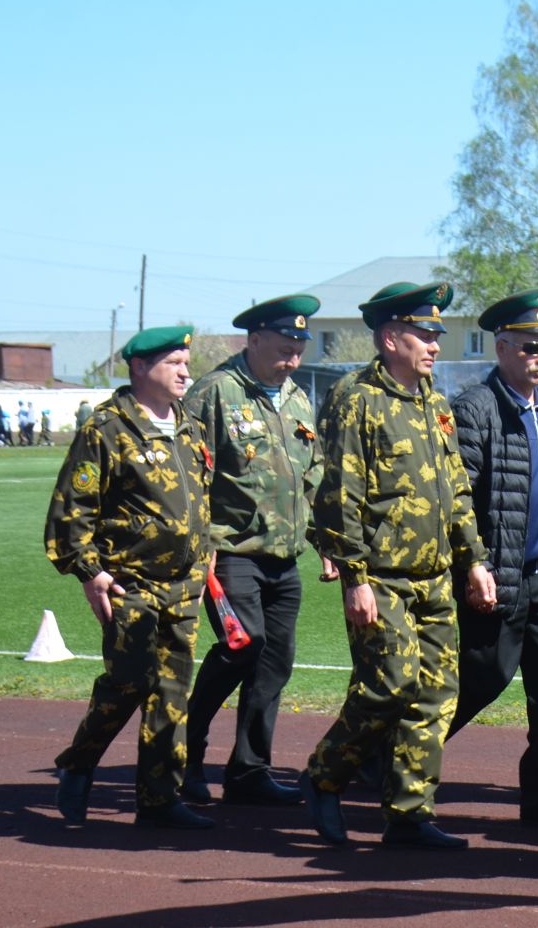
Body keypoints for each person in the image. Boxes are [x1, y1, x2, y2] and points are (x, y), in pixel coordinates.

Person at [302, 281, 496, 850]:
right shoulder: (355, 398)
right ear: (390, 338)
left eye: (437, 334)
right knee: (389, 684)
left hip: (434, 576)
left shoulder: (435, 401)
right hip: (381, 577)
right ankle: (324, 776)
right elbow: (340, 493)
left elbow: (455, 489)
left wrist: (474, 562)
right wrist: (355, 578)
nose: (434, 343)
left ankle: (409, 812)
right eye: (424, 333)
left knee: (437, 692)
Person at [44, 325, 215, 831]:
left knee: (172, 690)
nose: (185, 371)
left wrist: (208, 560)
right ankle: (78, 762)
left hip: (185, 583)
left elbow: (201, 501)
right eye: (173, 363)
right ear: (140, 368)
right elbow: (70, 511)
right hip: (129, 582)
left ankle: (160, 800)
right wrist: (89, 572)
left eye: (186, 362)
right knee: (129, 682)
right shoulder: (107, 429)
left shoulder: (190, 425)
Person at [445, 288, 538, 827]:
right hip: (500, 579)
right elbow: (458, 499)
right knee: (479, 682)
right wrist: (474, 566)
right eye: (530, 347)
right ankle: (393, 756)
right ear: (502, 348)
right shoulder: (475, 409)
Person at [180, 294, 326, 808]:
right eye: (284, 346)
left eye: (299, 348)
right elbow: (187, 476)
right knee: (244, 646)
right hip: (231, 552)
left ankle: (248, 770)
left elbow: (312, 475)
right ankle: (185, 754)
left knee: (275, 662)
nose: (292, 357)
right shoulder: (215, 393)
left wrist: (325, 541)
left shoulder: (297, 399)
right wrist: (200, 549)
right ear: (255, 339)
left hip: (283, 556)